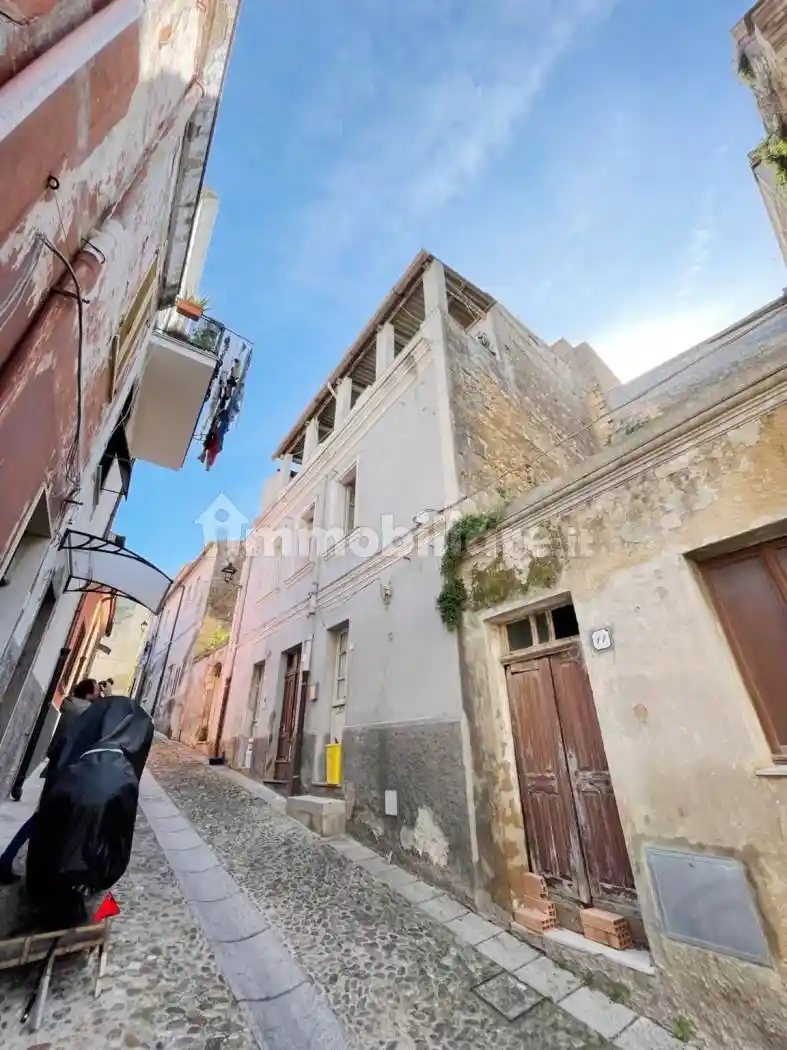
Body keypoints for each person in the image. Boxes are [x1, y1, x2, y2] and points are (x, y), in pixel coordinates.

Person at [0, 678, 100, 884]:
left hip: (58, 767)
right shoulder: (86, 713)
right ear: (89, 694)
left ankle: (17, 862)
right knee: (45, 819)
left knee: (44, 817)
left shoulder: (71, 706)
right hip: (69, 771)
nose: (100, 692)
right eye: (97, 689)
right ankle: (8, 862)